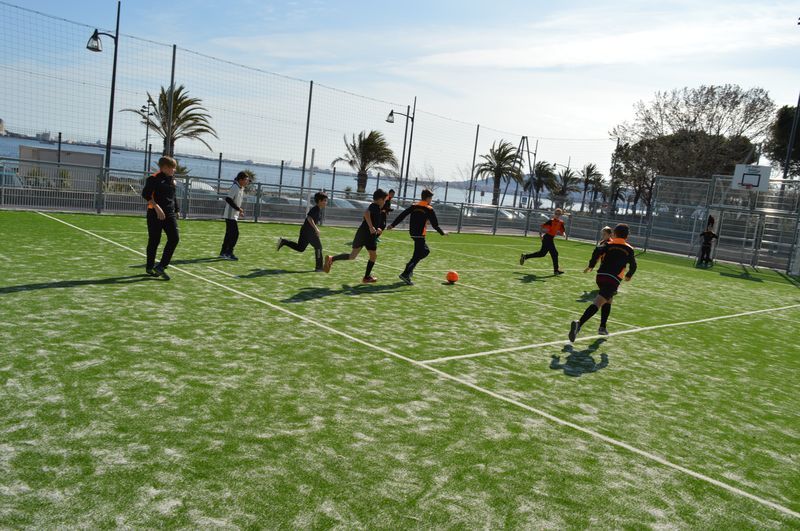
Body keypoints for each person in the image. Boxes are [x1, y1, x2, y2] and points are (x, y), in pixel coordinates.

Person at [570, 223, 637, 340]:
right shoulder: (629, 249)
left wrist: (591, 265)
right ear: (627, 236)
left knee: (608, 300)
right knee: (598, 302)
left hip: (600, 276)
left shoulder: (607, 244)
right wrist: (629, 275)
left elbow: (596, 252)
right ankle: (579, 324)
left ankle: (602, 327)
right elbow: (634, 265)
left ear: (614, 234)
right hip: (613, 279)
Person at [323, 189, 387, 283]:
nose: (385, 202)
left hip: (361, 233)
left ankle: (332, 259)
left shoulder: (374, 207)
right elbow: (366, 214)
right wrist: (371, 227)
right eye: (384, 200)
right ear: (380, 199)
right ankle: (366, 277)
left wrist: (376, 229)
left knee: (352, 256)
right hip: (368, 235)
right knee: (373, 256)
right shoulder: (375, 206)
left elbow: (368, 217)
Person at [386, 188, 447, 285]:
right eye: (431, 198)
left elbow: (402, 215)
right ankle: (406, 273)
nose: (431, 200)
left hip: (413, 233)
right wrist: (442, 233)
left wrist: (393, 225)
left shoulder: (414, 206)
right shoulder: (429, 208)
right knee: (419, 254)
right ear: (428, 198)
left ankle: (409, 268)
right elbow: (435, 225)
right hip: (420, 235)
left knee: (424, 251)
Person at [142, 156, 180, 280]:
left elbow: (173, 197)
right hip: (154, 214)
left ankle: (161, 266)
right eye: (172, 168)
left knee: (174, 238)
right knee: (154, 240)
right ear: (164, 168)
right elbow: (145, 194)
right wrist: (157, 207)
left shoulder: (172, 180)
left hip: (169, 214)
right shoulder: (153, 179)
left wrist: (177, 210)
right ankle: (149, 266)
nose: (174, 170)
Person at [276, 192, 327, 271]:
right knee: (318, 247)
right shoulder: (316, 209)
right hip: (309, 232)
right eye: (324, 200)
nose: (326, 202)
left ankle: (284, 241)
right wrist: (316, 229)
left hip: (305, 231)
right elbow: (309, 218)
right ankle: (319, 267)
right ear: (319, 201)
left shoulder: (318, 209)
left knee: (300, 248)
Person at [520, 208, 566, 275]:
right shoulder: (551, 221)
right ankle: (556, 270)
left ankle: (525, 256)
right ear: (554, 214)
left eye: (559, 214)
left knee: (542, 254)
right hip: (547, 238)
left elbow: (562, 230)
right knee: (555, 253)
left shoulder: (561, 222)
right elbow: (542, 226)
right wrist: (540, 235)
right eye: (556, 214)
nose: (557, 215)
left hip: (550, 239)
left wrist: (564, 234)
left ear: (560, 215)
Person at [219, 171, 250, 261]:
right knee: (235, 234)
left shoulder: (241, 188)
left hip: (233, 215)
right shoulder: (235, 187)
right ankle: (229, 253)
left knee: (229, 235)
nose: (247, 182)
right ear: (240, 180)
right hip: (229, 215)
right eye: (246, 180)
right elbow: (228, 199)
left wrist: (239, 210)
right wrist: (238, 208)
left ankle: (223, 252)